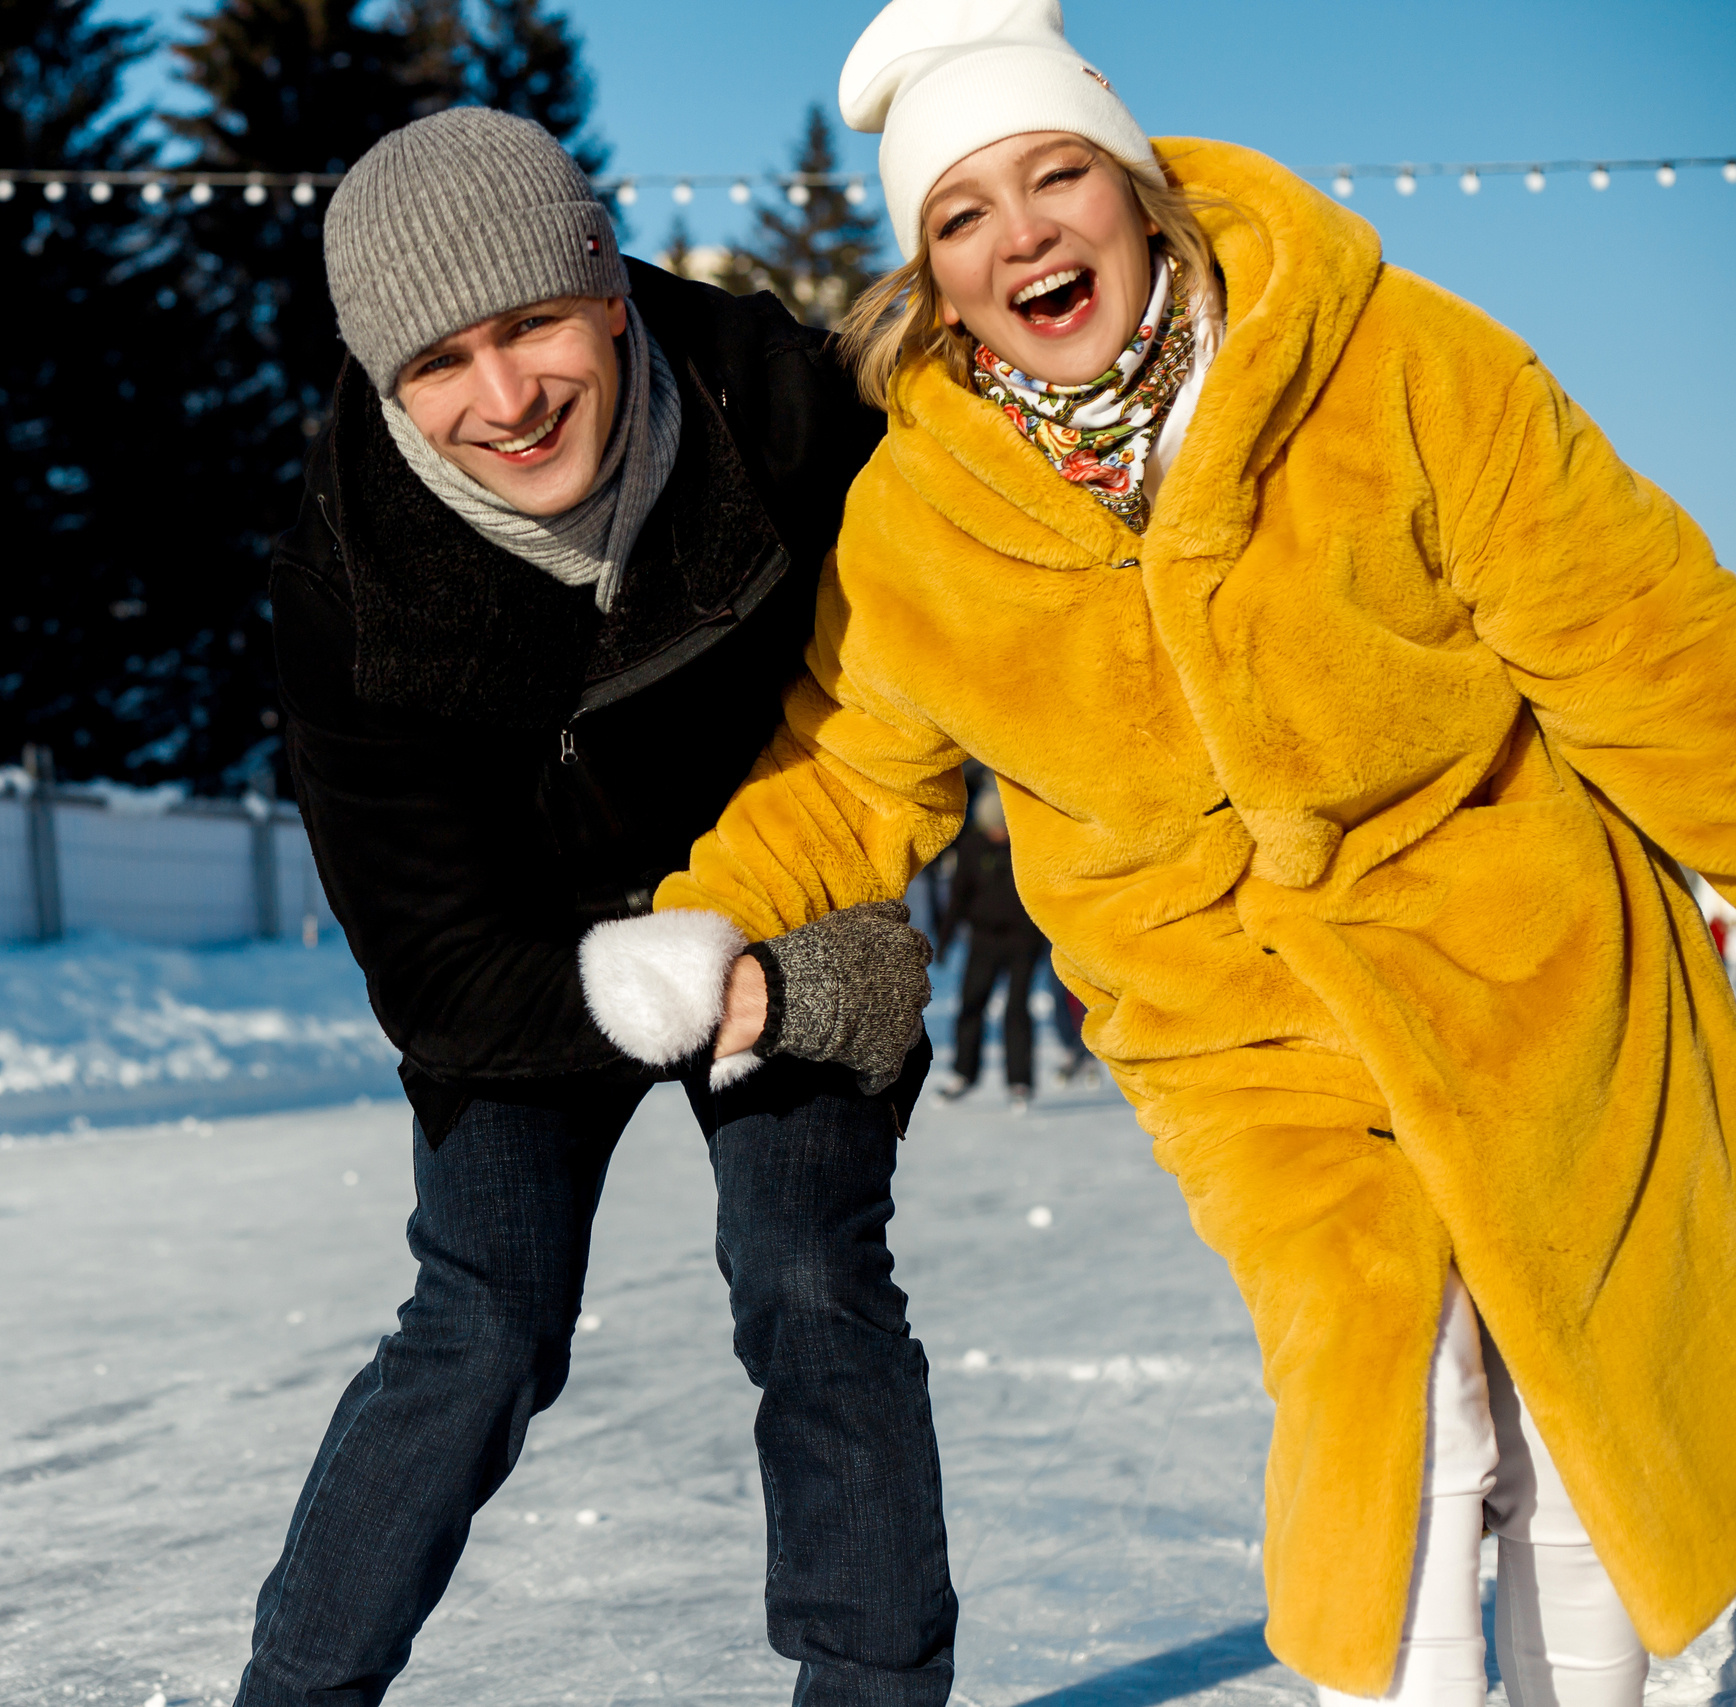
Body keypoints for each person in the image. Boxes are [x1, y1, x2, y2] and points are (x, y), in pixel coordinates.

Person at [576, 2, 1736, 1704]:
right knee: (1381, 1349)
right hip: (1222, 1016)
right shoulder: (923, 518)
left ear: (1141, 190)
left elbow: (1636, 633)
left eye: (1057, 176)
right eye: (962, 214)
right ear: (931, 275)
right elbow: (853, 773)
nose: (1022, 232)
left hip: (1522, 943)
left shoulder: (1396, 363)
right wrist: (706, 915)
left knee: (1581, 1367)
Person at [240, 106, 952, 1707]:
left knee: (812, 1277)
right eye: (439, 362)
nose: (505, 397)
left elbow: (931, 659)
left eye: (534, 325)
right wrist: (715, 994)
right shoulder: (346, 573)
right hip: (524, 958)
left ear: (607, 289)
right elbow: (432, 969)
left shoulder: (781, 409)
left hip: (780, 886)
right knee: (485, 1317)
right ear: (382, 376)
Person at [937, 779, 1048, 1109]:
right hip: (983, 939)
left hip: (1023, 940)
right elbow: (958, 897)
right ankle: (963, 1073)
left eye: (1003, 827)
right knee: (971, 1003)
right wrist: (943, 940)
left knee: (1017, 1010)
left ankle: (1020, 1082)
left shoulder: (1028, 846)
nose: (999, 833)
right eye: (993, 827)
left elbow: (1045, 895)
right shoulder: (972, 847)